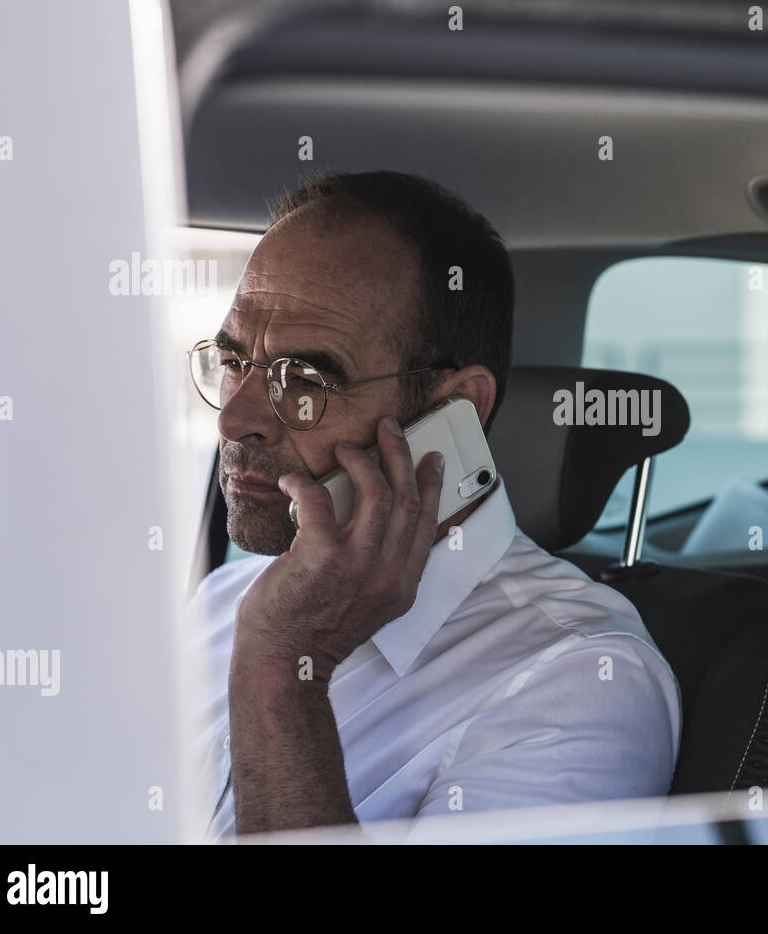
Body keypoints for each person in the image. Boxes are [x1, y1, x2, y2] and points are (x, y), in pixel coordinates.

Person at [184, 171, 680, 838]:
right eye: (233, 361)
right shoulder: (225, 599)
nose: (235, 419)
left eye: (303, 381)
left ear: (454, 411)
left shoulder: (582, 680)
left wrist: (280, 673)